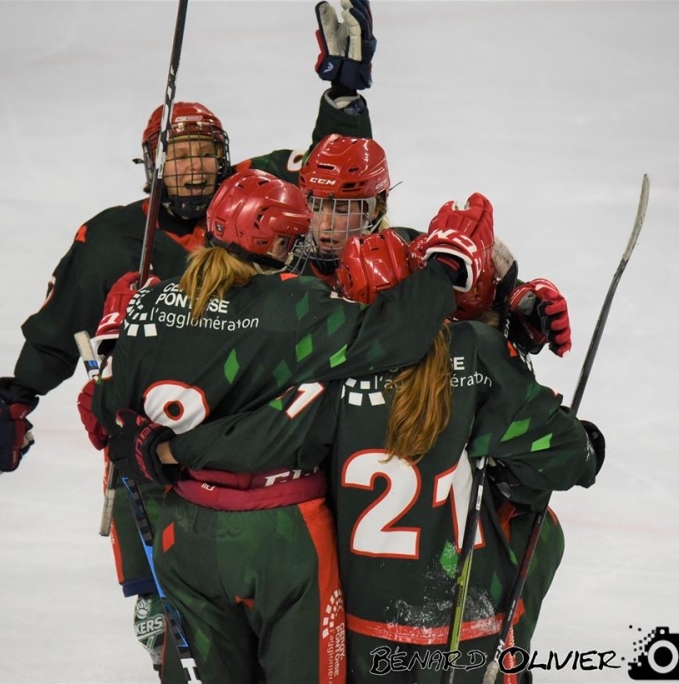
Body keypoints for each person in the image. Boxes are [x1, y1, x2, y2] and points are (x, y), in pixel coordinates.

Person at [0, 0, 378, 672]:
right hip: (160, 459)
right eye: (178, 157)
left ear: (227, 159)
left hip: (258, 448)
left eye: (204, 155)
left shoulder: (257, 195)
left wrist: (343, 96)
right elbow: (58, 328)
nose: (192, 170)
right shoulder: (114, 239)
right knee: (176, 628)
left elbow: (330, 173)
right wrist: (16, 393)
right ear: (150, 165)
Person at [152, 206, 605, 683]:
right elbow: (571, 460)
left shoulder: (329, 368)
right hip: (464, 623)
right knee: (538, 525)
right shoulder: (476, 353)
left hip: (359, 629)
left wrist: (169, 450)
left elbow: (260, 439)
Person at [80, 166, 496, 683]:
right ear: (276, 243)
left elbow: (109, 419)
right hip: (279, 536)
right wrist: (445, 270)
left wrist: (115, 367)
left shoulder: (146, 302)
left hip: (183, 533)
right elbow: (397, 334)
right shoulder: (294, 304)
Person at [296, 133, 573, 358]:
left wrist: (526, 310)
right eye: (316, 206)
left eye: (342, 210)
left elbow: (481, 304)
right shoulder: (281, 262)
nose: (325, 224)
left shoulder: (411, 254)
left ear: (375, 209)